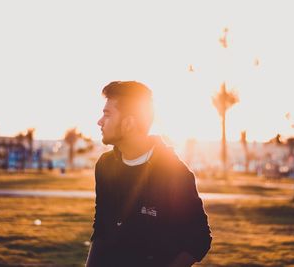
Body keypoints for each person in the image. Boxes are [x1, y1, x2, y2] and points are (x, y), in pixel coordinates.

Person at [86, 81, 212, 267]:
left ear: (129, 123)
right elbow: (102, 229)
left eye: (107, 114)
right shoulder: (105, 165)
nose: (99, 121)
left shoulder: (174, 172)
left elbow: (199, 239)